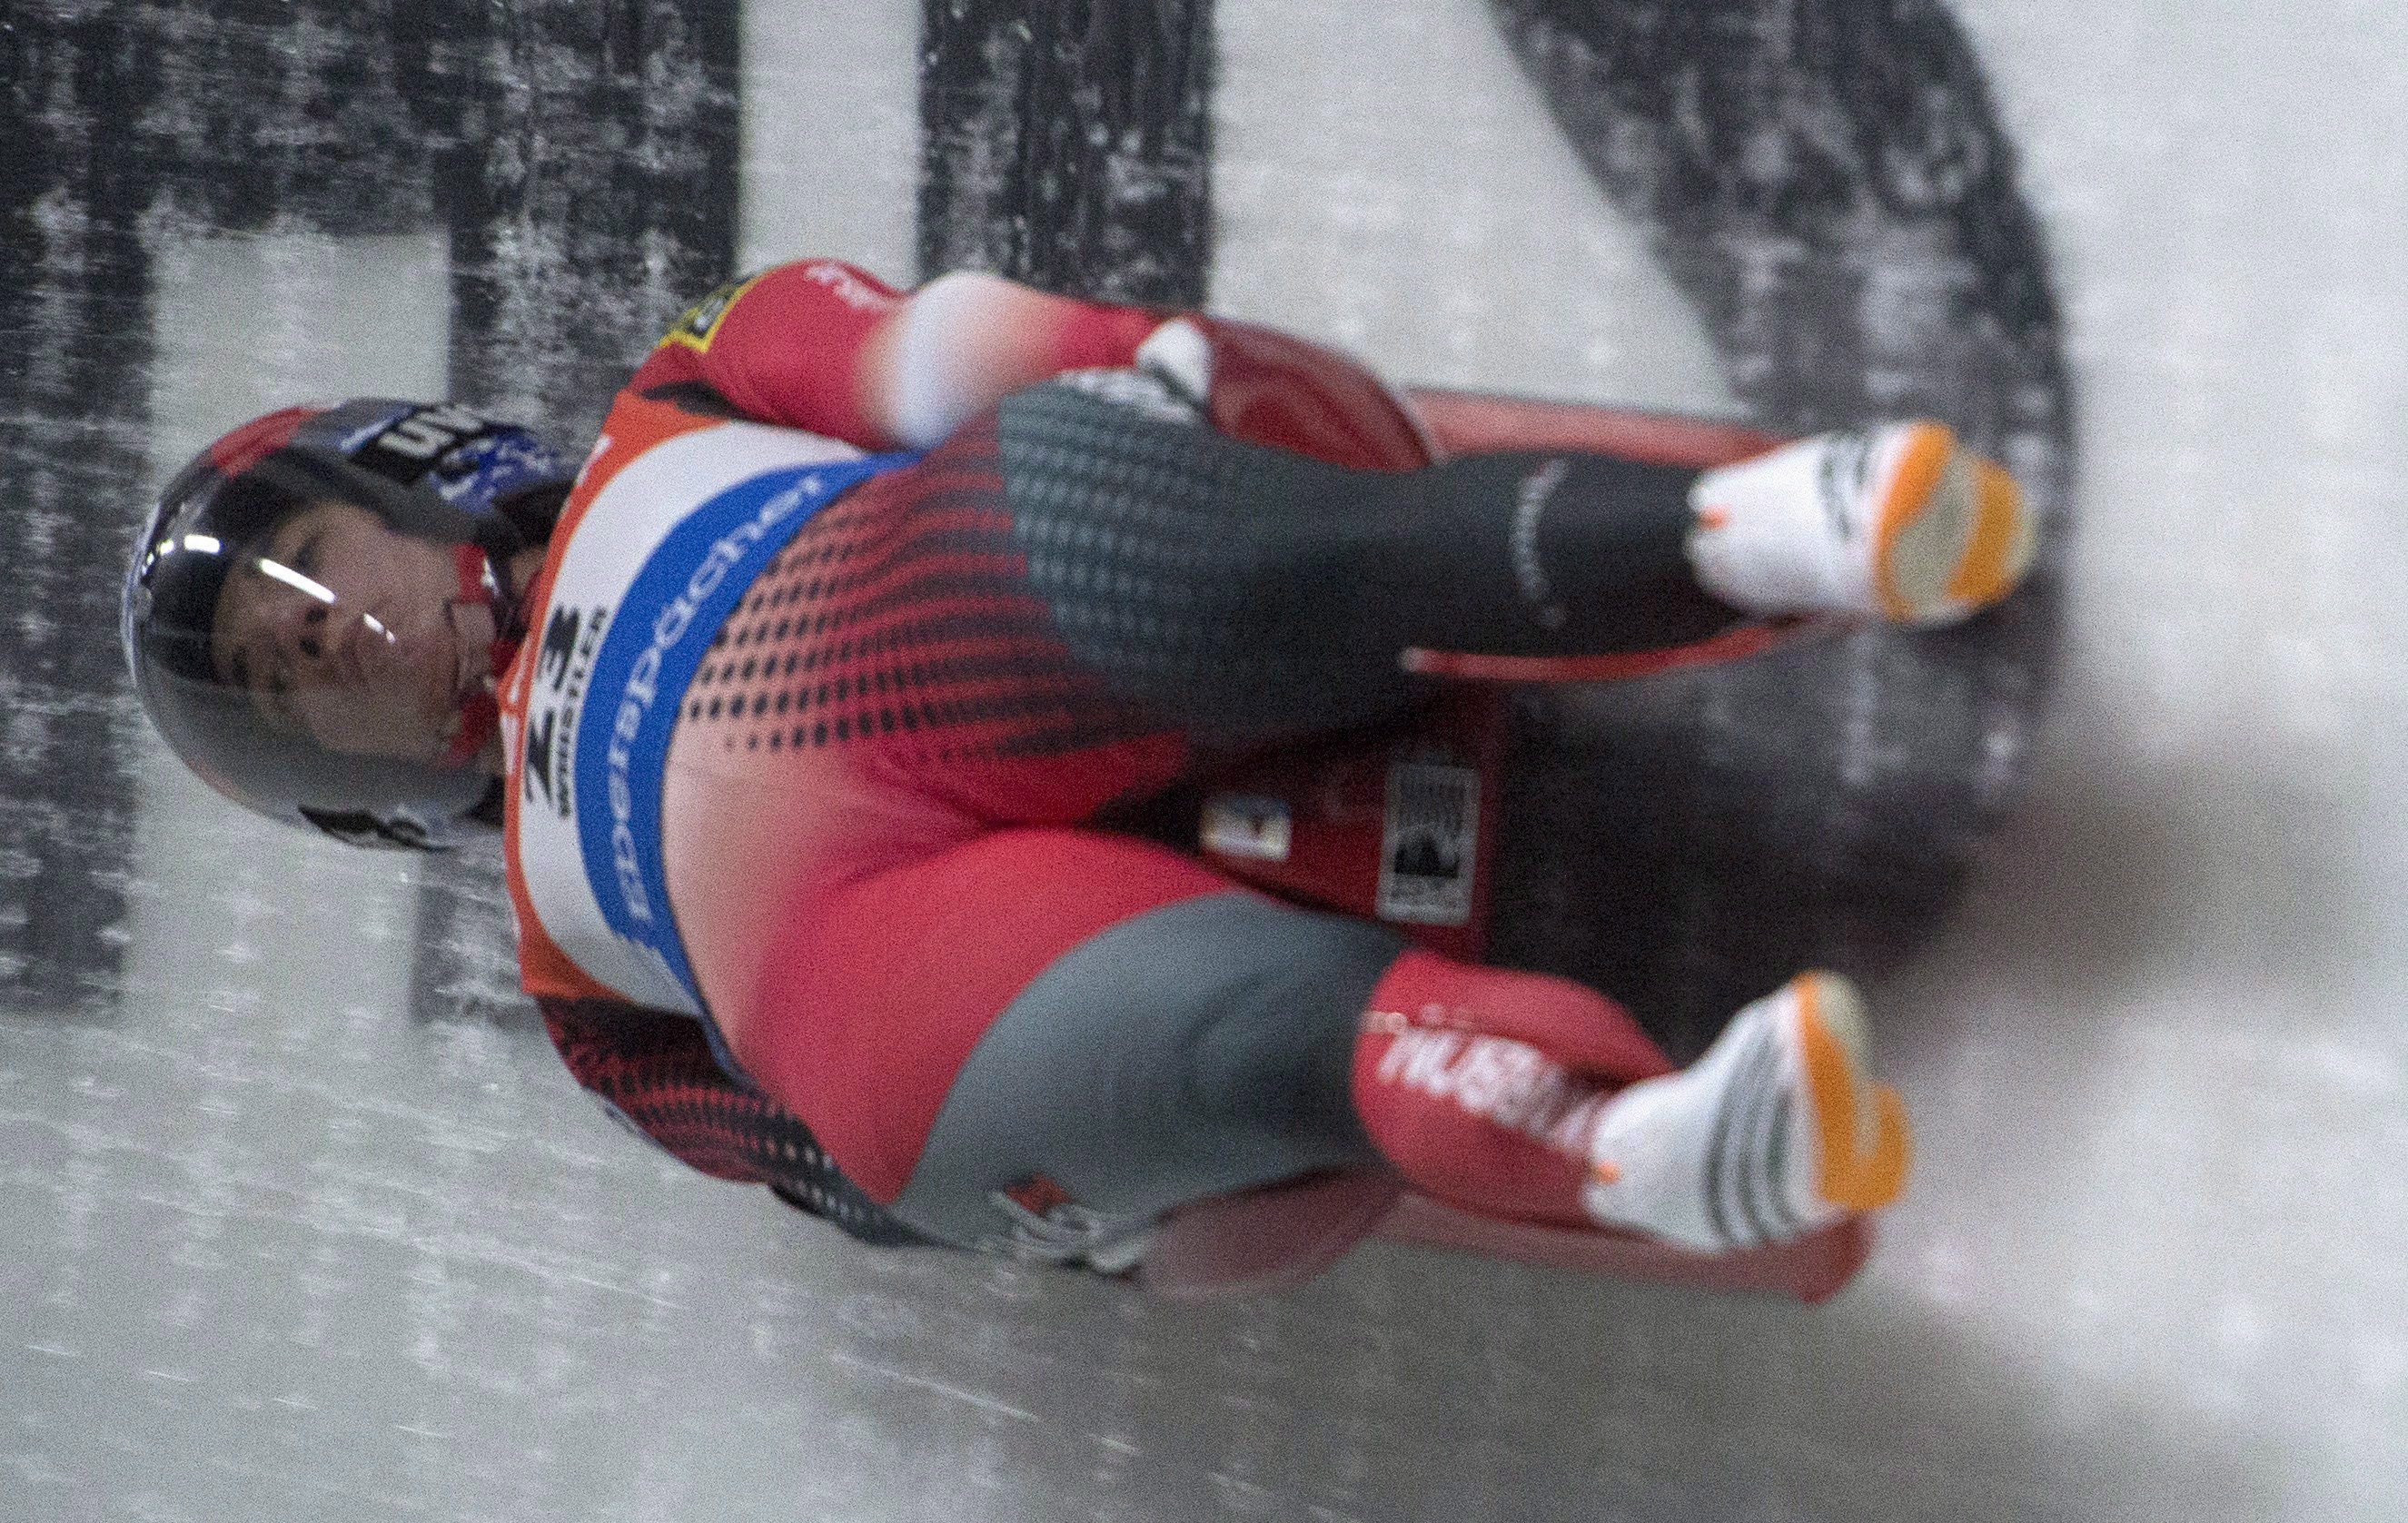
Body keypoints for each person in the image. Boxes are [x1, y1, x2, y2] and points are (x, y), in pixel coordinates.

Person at [123, 260, 2031, 1280]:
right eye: (303, 688)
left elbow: (928, 353)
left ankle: (1769, 533)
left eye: (320, 594)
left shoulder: (679, 391)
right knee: (1110, 1063)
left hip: (900, 612)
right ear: (359, 796)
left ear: (417, 469)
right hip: (856, 951)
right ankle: (1630, 1145)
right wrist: (1076, 1219)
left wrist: (1134, 360)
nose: (344, 646)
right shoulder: (575, 1003)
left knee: (1102, 529)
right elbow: (819, 1165)